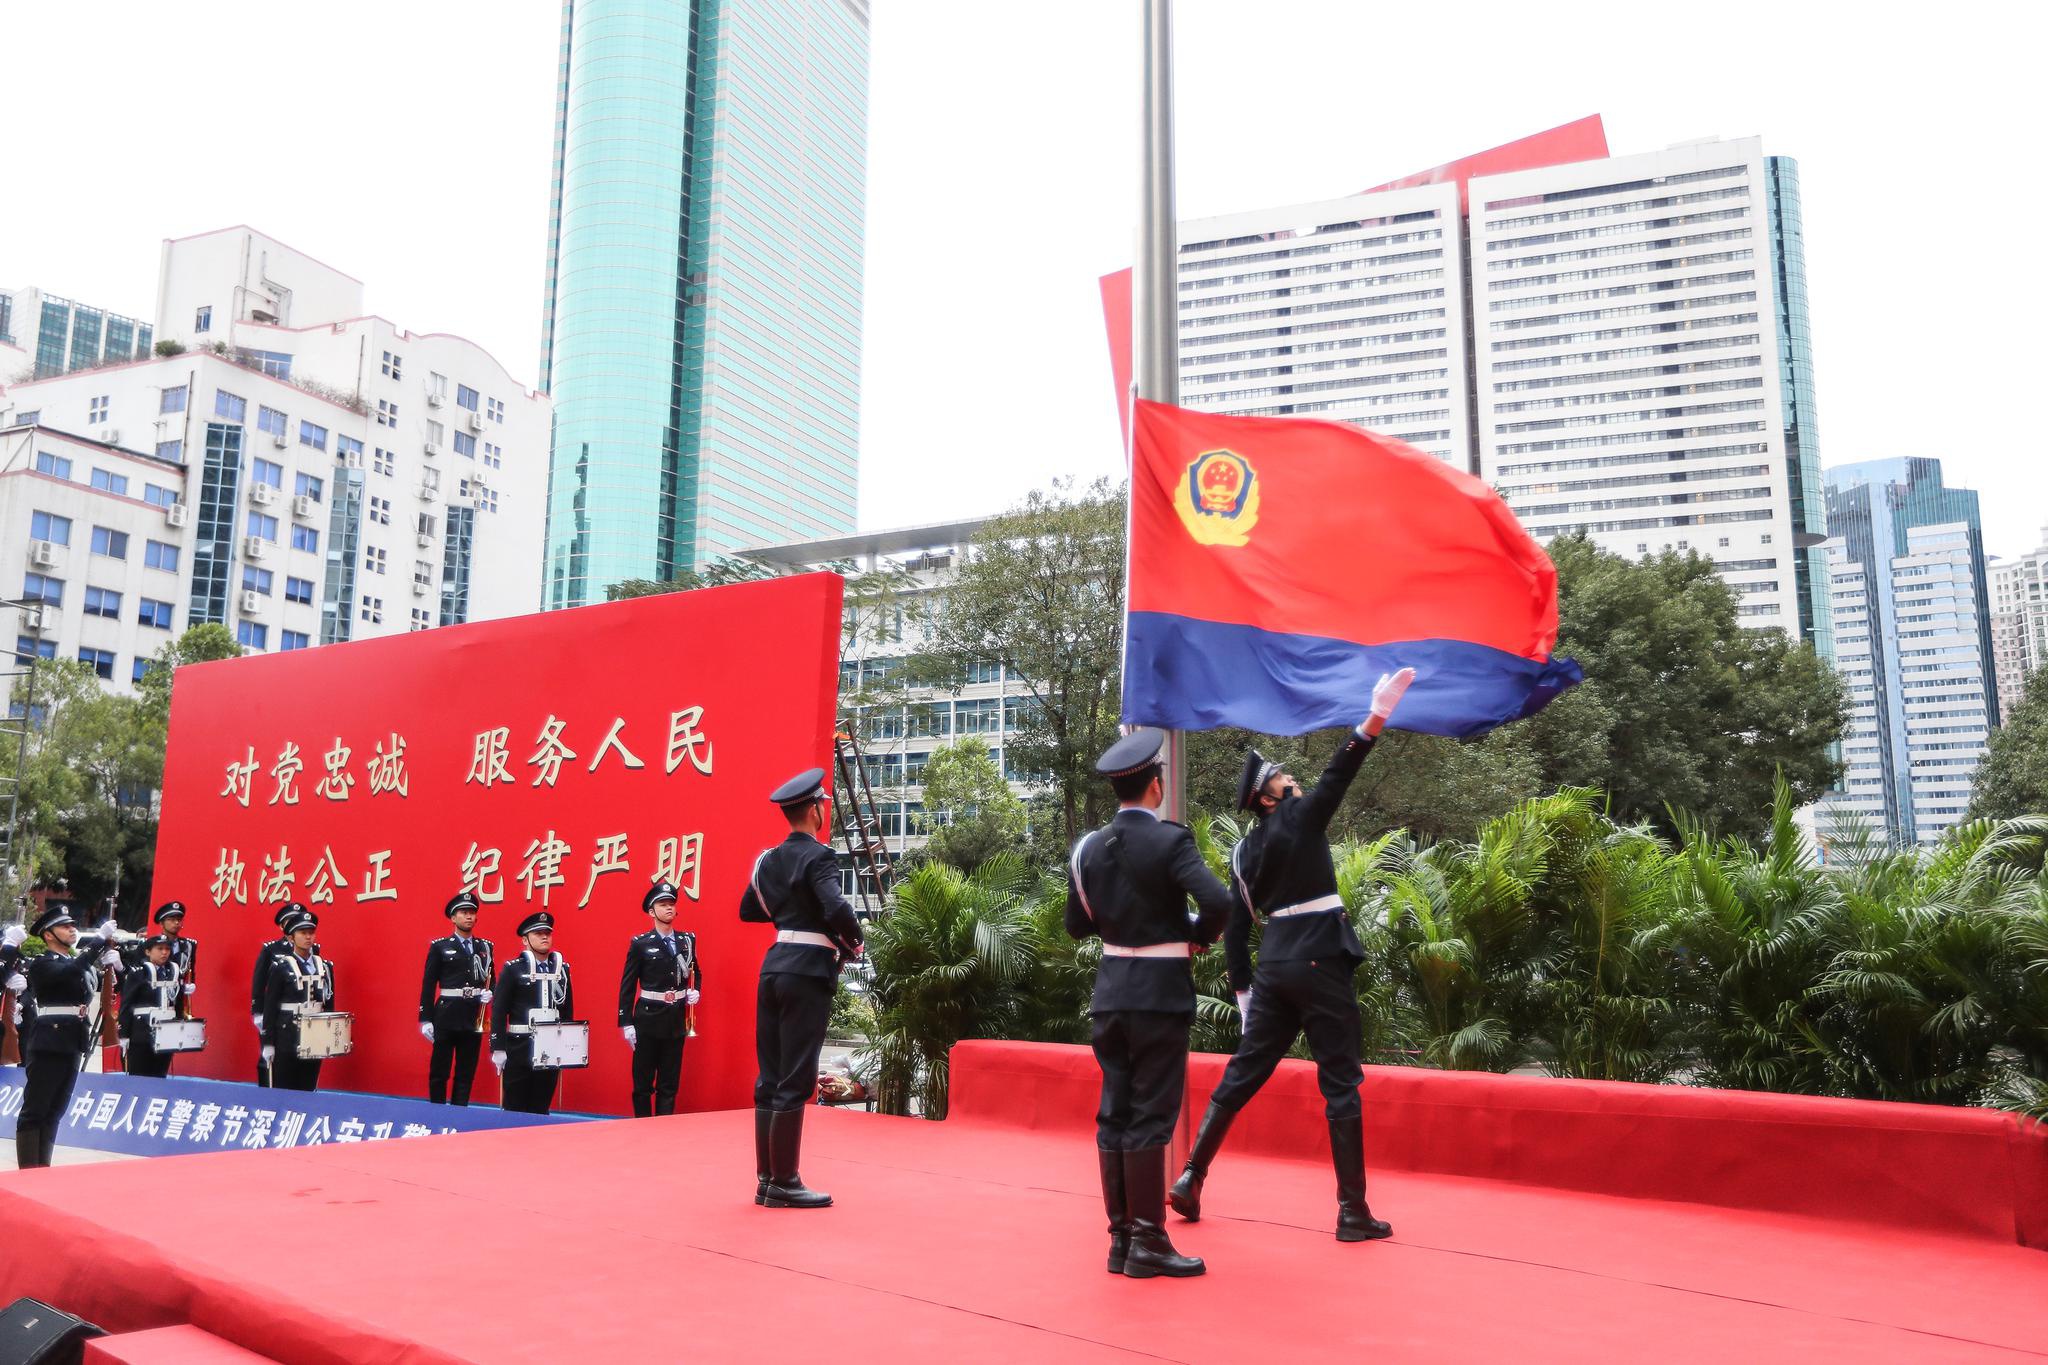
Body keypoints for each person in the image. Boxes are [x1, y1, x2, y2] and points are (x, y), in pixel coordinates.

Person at [1169, 669, 1416, 1243]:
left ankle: (1191, 1175)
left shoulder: (1243, 851)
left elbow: (1233, 929)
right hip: (1319, 960)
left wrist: (1245, 991)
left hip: (1275, 967)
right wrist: (1373, 717)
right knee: (1341, 1083)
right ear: (1267, 796)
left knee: (1244, 1073)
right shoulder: (1298, 820)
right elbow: (1340, 773)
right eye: (1282, 776)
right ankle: (1352, 1211)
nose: (1293, 778)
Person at [1066, 727, 1236, 1279]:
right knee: (1151, 1116)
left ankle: (1120, 1240)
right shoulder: (1170, 841)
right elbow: (1217, 902)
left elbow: (1076, 925)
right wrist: (1197, 935)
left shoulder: (1088, 848)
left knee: (1114, 1113)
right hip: (1160, 994)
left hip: (1111, 991)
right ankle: (1148, 1241)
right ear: (1155, 785)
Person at [740, 768, 863, 1210]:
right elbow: (836, 906)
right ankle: (786, 1181)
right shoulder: (820, 856)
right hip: (808, 970)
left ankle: (766, 1180)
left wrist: (789, 911)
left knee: (770, 1076)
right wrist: (854, 941)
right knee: (795, 1076)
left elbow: (749, 909)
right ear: (815, 810)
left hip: (773, 966)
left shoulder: (768, 860)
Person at [10, 906, 122, 1168]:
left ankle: (43, 1170)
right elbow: (67, 974)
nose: (72, 929)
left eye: (73, 925)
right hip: (49, 1042)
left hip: (73, 1041)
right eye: (64, 926)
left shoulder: (77, 964)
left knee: (55, 1110)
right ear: (48, 935)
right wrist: (95, 944)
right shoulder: (42, 963)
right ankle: (29, 1172)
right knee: (35, 1109)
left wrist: (113, 964)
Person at [619, 879, 702, 1118]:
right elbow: (627, 984)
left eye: (671, 904)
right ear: (651, 911)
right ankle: (643, 1126)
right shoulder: (641, 944)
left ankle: (664, 1128)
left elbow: (696, 971)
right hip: (647, 1017)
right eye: (663, 904)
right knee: (643, 1083)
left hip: (675, 1018)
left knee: (669, 1083)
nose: (669, 908)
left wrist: (696, 991)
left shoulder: (687, 941)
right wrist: (626, 1022)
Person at [491, 911, 574, 1116]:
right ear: (525, 940)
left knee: (541, 1106)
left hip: (549, 1049)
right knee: (515, 1108)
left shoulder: (562, 969)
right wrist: (498, 1047)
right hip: (520, 1047)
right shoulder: (513, 969)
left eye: (547, 933)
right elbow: (499, 1010)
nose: (545, 937)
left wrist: (566, 1047)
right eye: (538, 933)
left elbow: (567, 1010)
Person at [420, 891, 494, 1106]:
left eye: (472, 913)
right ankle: (437, 1111)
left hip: (473, 1015)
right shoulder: (440, 946)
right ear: (453, 918)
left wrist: (490, 993)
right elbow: (428, 983)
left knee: (466, 1071)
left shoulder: (485, 947)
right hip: (446, 1014)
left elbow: (491, 978)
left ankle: (460, 1111)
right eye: (463, 913)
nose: (469, 917)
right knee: (439, 1070)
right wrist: (425, 1018)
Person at [261, 909, 337, 1093]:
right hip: (287, 1037)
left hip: (315, 1038)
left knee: (309, 1088)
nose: (308, 937)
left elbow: (329, 1002)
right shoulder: (281, 967)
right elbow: (270, 1007)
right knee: (285, 1089)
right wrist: (268, 1043)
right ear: (291, 938)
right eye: (303, 933)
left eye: (311, 932)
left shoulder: (324, 966)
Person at [249, 903, 307, 1086]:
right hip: (276, 1013)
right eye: (290, 921)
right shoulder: (272, 950)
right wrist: (258, 1012)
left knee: (301, 1062)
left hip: (301, 1015)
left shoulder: (312, 950)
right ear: (283, 927)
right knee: (270, 1057)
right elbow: (259, 983)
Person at [119, 933, 184, 1079]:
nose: (164, 952)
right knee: (139, 1076)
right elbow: (127, 1005)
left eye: (167, 949)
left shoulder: (173, 972)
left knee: (160, 1076)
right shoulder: (138, 974)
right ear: (148, 951)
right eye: (159, 948)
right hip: (141, 1033)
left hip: (166, 1033)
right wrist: (124, 1034)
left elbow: (177, 1004)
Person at [155, 902, 198, 1018]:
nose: (176, 923)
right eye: (171, 919)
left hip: (179, 997)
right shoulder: (152, 944)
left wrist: (191, 983)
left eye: (179, 919)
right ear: (162, 922)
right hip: (157, 996)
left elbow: (190, 968)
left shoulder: (188, 944)